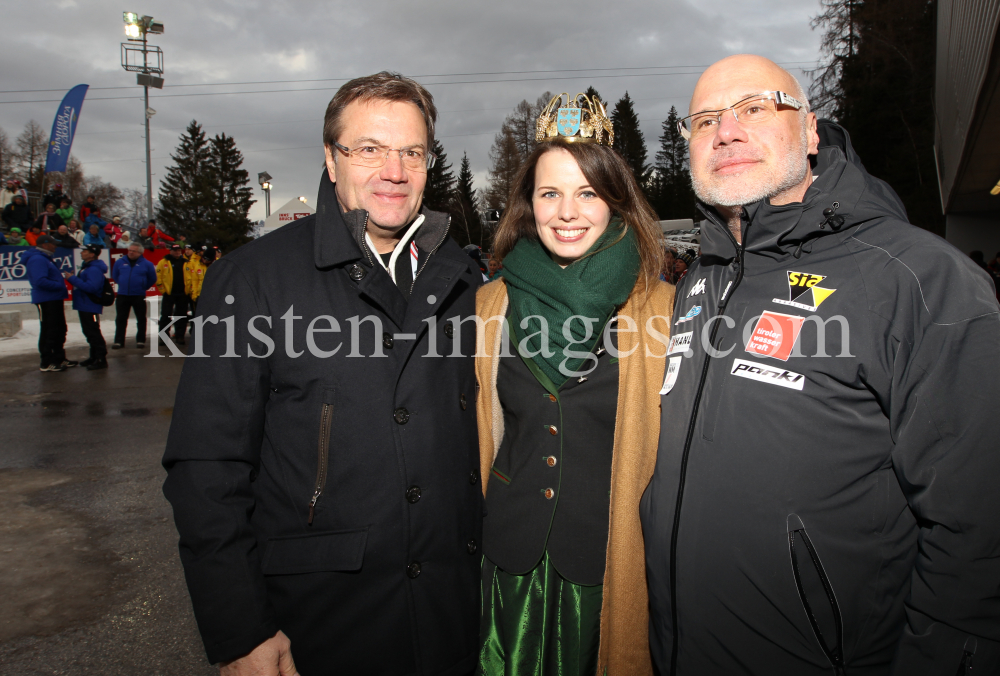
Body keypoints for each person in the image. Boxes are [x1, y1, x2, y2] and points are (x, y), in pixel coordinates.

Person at [640, 54, 1000, 676]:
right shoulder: (701, 279)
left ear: (809, 130)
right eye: (703, 121)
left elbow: (978, 537)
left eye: (754, 108)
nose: (725, 131)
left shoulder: (919, 281)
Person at [163, 71, 485, 676]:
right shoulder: (254, 278)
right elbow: (206, 467)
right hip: (324, 621)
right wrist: (239, 629)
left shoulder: (463, 279)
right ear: (331, 160)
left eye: (411, 152)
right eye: (369, 149)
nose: (394, 170)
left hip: (453, 616)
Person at [474, 93, 674, 676]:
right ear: (528, 204)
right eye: (550, 193)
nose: (568, 211)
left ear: (616, 201)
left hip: (608, 562)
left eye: (587, 192)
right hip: (510, 560)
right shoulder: (491, 305)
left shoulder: (661, 309)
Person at [23, 235, 75, 372]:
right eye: (53, 244)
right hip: (46, 300)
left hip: (54, 298)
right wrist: (59, 285)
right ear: (45, 245)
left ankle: (58, 358)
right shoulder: (37, 259)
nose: (56, 246)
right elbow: (39, 281)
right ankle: (46, 362)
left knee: (60, 329)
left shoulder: (45, 258)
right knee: (49, 330)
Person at [64, 244, 109, 370]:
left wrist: (73, 279)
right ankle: (94, 356)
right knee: (89, 332)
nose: (81, 253)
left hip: (90, 305)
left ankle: (101, 358)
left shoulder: (94, 269)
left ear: (92, 254)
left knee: (93, 332)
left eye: (85, 251)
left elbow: (92, 288)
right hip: (84, 304)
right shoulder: (88, 267)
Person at [111, 241, 156, 349]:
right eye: (129, 250)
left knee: (141, 318)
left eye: (133, 251)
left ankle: (140, 340)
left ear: (140, 252)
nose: (130, 252)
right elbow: (115, 275)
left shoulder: (147, 264)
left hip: (138, 295)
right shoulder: (120, 262)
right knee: (121, 319)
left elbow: (152, 278)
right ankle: (119, 341)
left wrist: (143, 286)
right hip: (123, 294)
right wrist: (122, 284)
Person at [155, 244, 189, 344]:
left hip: (182, 294)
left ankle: (180, 336)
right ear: (170, 251)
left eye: (179, 250)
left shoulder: (185, 262)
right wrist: (163, 290)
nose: (177, 252)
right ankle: (164, 337)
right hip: (169, 294)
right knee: (166, 315)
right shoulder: (163, 262)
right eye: (175, 250)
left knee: (182, 316)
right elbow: (158, 277)